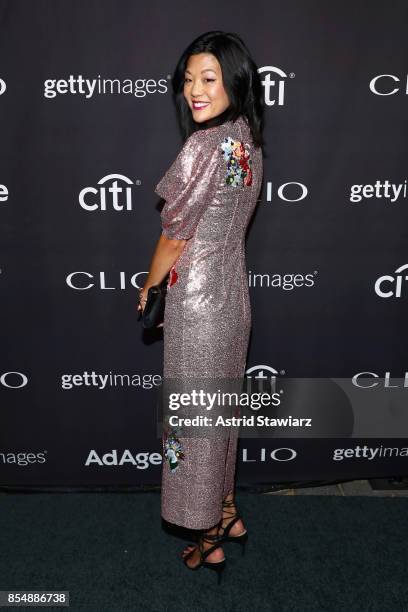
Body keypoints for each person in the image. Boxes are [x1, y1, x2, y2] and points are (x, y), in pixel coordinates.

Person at [138, 30, 264, 582]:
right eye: (189, 79)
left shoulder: (204, 146)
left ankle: (206, 532)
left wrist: (149, 283)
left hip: (196, 302)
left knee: (195, 421)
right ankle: (228, 510)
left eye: (208, 79)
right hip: (232, 296)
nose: (194, 89)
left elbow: (174, 234)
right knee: (218, 417)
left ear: (234, 81)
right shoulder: (246, 141)